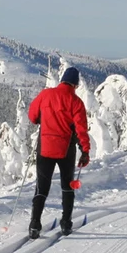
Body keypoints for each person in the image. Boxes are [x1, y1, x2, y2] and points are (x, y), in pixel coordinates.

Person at [27, 66, 91, 238]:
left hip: (45, 148)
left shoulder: (45, 95)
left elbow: (33, 117)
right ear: (75, 85)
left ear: (62, 80)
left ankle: (34, 225)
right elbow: (81, 130)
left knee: (42, 187)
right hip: (65, 150)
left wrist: (44, 118)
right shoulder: (76, 102)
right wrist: (85, 151)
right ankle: (66, 224)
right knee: (67, 186)